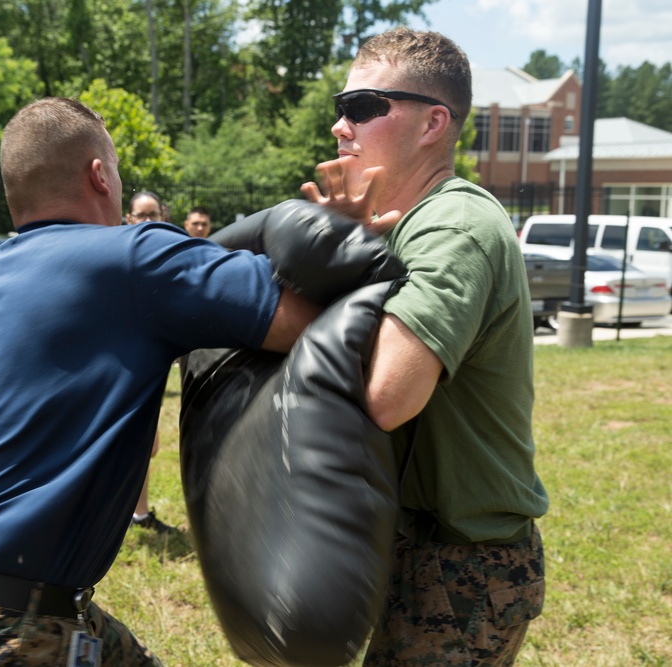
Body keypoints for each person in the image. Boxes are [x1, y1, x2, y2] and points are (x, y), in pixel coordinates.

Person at [0, 97, 320, 666]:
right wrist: (337, 231)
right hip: (1, 631)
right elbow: (307, 322)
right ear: (99, 174)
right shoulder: (131, 259)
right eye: (118, 170)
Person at [300, 28, 549, 666]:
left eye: (361, 108)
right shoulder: (409, 226)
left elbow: (387, 397)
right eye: (340, 107)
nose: (339, 126)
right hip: (414, 545)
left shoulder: (456, 226)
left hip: (463, 562)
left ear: (433, 122)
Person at [123, 189, 172, 533]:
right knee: (132, 444)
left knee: (146, 446)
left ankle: (137, 514)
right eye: (141, 214)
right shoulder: (119, 251)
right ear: (128, 218)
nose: (147, 221)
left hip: (149, 361)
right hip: (118, 361)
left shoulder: (167, 255)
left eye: (153, 214)